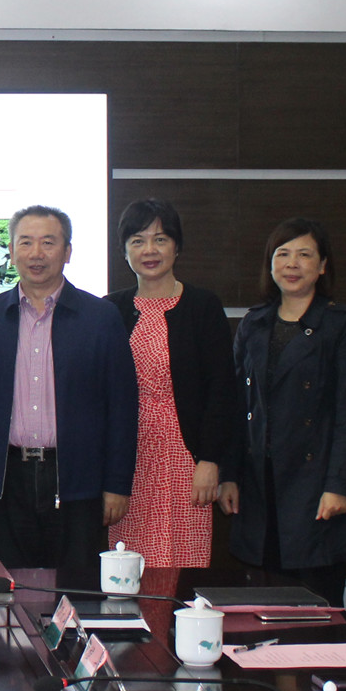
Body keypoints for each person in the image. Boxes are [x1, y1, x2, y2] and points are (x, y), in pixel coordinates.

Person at [0, 205, 137, 575]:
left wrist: (117, 484)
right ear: (11, 251)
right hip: (7, 478)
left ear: (67, 252)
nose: (36, 253)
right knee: (15, 587)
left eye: (48, 243)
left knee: (77, 587)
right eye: (26, 243)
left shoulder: (101, 318)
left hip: (77, 477)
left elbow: (122, 407)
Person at [228, 217, 346, 608]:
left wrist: (340, 485)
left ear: (322, 266)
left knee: (315, 611)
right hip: (260, 489)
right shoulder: (253, 324)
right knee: (262, 610)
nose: (292, 264)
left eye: (304, 254)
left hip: (316, 489)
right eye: (283, 253)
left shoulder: (340, 326)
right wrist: (229, 476)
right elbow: (236, 408)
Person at [104, 198, 243, 569]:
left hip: (187, 458)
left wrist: (211, 460)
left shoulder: (202, 306)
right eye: (137, 240)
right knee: (127, 564)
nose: (149, 250)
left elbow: (221, 391)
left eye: (160, 239)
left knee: (181, 561)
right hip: (127, 459)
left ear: (177, 247)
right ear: (124, 251)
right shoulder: (110, 309)